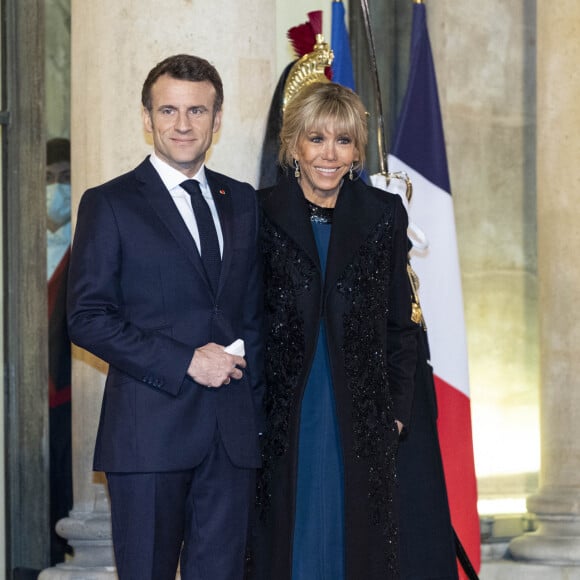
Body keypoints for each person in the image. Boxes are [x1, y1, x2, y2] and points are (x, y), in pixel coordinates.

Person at [67, 54, 264, 580]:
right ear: (147, 117)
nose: (183, 125)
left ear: (217, 119)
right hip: (148, 434)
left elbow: (253, 314)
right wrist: (185, 362)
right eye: (169, 110)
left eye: (197, 111)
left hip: (231, 438)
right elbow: (86, 317)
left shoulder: (242, 201)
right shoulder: (109, 204)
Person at [250, 81, 418, 580]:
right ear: (294, 144)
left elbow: (400, 325)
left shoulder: (383, 215)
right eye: (316, 138)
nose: (329, 153)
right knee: (284, 537)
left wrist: (397, 414)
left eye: (342, 141)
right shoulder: (257, 213)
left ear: (356, 151)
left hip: (362, 414)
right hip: (280, 413)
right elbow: (244, 318)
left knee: (356, 542)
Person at [46, 137, 73, 565]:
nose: (56, 190)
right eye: (48, 180)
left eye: (66, 178)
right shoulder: (16, 248)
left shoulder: (83, 243)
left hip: (67, 398)